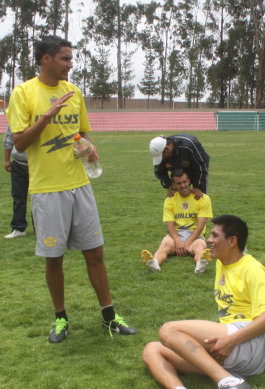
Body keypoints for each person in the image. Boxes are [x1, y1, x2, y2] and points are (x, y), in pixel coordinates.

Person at [6, 35, 137, 343]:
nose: (70, 64)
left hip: (80, 186)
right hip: (47, 191)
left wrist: (90, 149)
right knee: (55, 258)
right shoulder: (23, 93)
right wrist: (47, 118)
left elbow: (83, 135)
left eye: (71, 58)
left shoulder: (74, 92)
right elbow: (19, 144)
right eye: (65, 58)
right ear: (46, 59)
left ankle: (109, 316)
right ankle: (61, 319)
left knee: (96, 254)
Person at [142, 215, 265, 389]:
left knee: (169, 330)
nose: (209, 240)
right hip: (234, 346)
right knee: (152, 349)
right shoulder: (222, 264)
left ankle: (230, 383)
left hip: (251, 344)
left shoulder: (252, 269)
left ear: (232, 241)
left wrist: (230, 341)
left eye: (215, 235)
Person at [141, 169, 213, 273]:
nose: (183, 185)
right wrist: (178, 241)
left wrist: (188, 242)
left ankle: (200, 265)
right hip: (176, 235)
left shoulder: (203, 198)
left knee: (200, 247)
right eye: (179, 183)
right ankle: (155, 263)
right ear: (174, 185)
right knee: (164, 244)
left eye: (185, 182)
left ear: (189, 181)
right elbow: (169, 225)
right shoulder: (169, 200)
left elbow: (200, 226)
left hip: (195, 235)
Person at [149, 134, 210, 200]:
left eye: (162, 156)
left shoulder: (188, 145)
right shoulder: (161, 152)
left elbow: (202, 166)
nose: (162, 159)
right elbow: (159, 172)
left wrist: (198, 186)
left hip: (196, 173)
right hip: (177, 178)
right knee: (178, 203)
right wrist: (170, 185)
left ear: (167, 149)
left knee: (199, 200)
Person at [3, 125, 29, 238]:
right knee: (18, 197)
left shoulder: (39, 116)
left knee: (41, 198)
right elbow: (8, 139)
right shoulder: (15, 119)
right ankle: (18, 228)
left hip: (39, 165)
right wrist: (7, 160)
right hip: (19, 163)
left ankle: (41, 228)